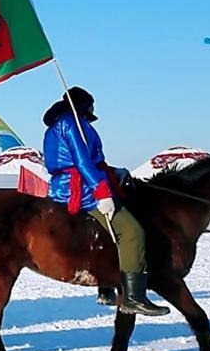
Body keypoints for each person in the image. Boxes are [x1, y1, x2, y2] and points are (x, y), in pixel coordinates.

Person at [43, 87, 169, 317]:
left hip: (72, 183)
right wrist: (101, 192)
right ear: (83, 106)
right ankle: (133, 297)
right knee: (132, 231)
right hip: (81, 189)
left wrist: (113, 172)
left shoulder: (59, 124)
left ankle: (106, 286)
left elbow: (89, 161)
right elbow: (83, 162)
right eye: (90, 108)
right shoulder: (73, 123)